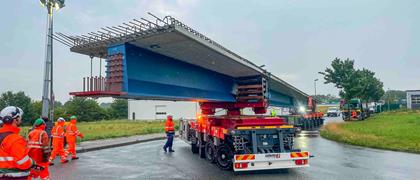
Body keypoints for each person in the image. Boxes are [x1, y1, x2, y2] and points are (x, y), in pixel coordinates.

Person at [0, 106, 42, 179]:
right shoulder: (15, 139)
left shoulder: (3, 136)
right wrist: (33, 163)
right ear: (15, 119)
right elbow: (23, 163)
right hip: (14, 177)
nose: (21, 119)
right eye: (20, 117)